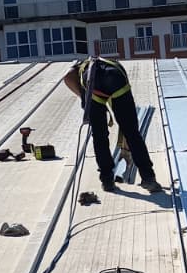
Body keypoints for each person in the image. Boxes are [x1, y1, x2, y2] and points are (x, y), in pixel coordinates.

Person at [62, 57, 162, 193]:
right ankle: (148, 178)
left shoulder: (78, 71)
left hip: (93, 85)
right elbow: (127, 126)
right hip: (116, 80)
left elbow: (67, 77)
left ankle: (107, 180)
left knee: (100, 137)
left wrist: (84, 97)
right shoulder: (110, 65)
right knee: (132, 133)